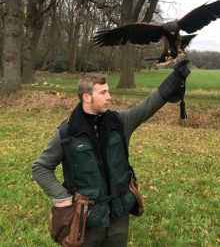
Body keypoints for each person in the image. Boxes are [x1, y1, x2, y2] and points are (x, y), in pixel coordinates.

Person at [32, 59, 190, 246]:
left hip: (119, 217)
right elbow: (40, 167)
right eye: (103, 92)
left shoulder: (120, 122)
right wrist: (62, 198)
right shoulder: (67, 133)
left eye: (108, 91)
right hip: (87, 221)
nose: (109, 97)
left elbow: (149, 105)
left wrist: (176, 78)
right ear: (87, 97)